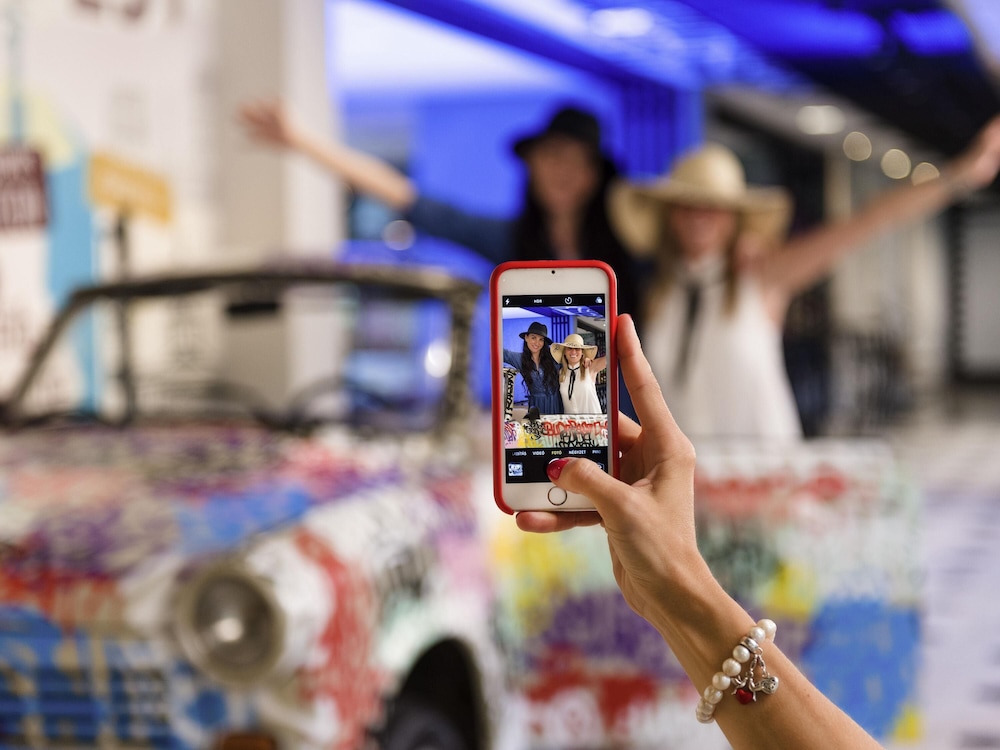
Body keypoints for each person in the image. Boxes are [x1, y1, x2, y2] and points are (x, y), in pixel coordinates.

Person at [516, 314, 884, 749]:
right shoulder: (550, 374)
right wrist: (670, 597)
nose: (572, 354)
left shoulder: (586, 372)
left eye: (576, 349)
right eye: (567, 350)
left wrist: (677, 588)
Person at [607, 115, 1000, 440]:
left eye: (713, 207)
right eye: (687, 206)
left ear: (734, 218)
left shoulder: (761, 275)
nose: (699, 218)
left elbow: (867, 223)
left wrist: (961, 176)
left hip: (762, 469)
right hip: (684, 474)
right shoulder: (659, 290)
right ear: (669, 215)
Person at [238, 100, 645, 325]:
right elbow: (409, 199)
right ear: (532, 165)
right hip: (538, 417)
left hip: (622, 416)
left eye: (578, 161)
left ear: (596, 175)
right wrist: (300, 141)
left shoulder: (632, 246)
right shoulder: (512, 241)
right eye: (553, 156)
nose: (564, 172)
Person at [503, 321, 561, 415]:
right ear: (526, 338)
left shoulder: (553, 358)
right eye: (533, 338)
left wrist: (585, 359)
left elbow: (571, 361)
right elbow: (501, 352)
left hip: (555, 404)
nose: (537, 343)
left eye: (541, 339)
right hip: (536, 406)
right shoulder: (520, 359)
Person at [550, 333, 606, 415]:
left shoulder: (590, 367)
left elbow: (610, 358)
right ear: (564, 352)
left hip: (592, 421)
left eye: (577, 349)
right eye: (569, 348)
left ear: (582, 352)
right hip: (571, 421)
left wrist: (588, 359)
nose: (573, 352)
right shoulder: (561, 373)